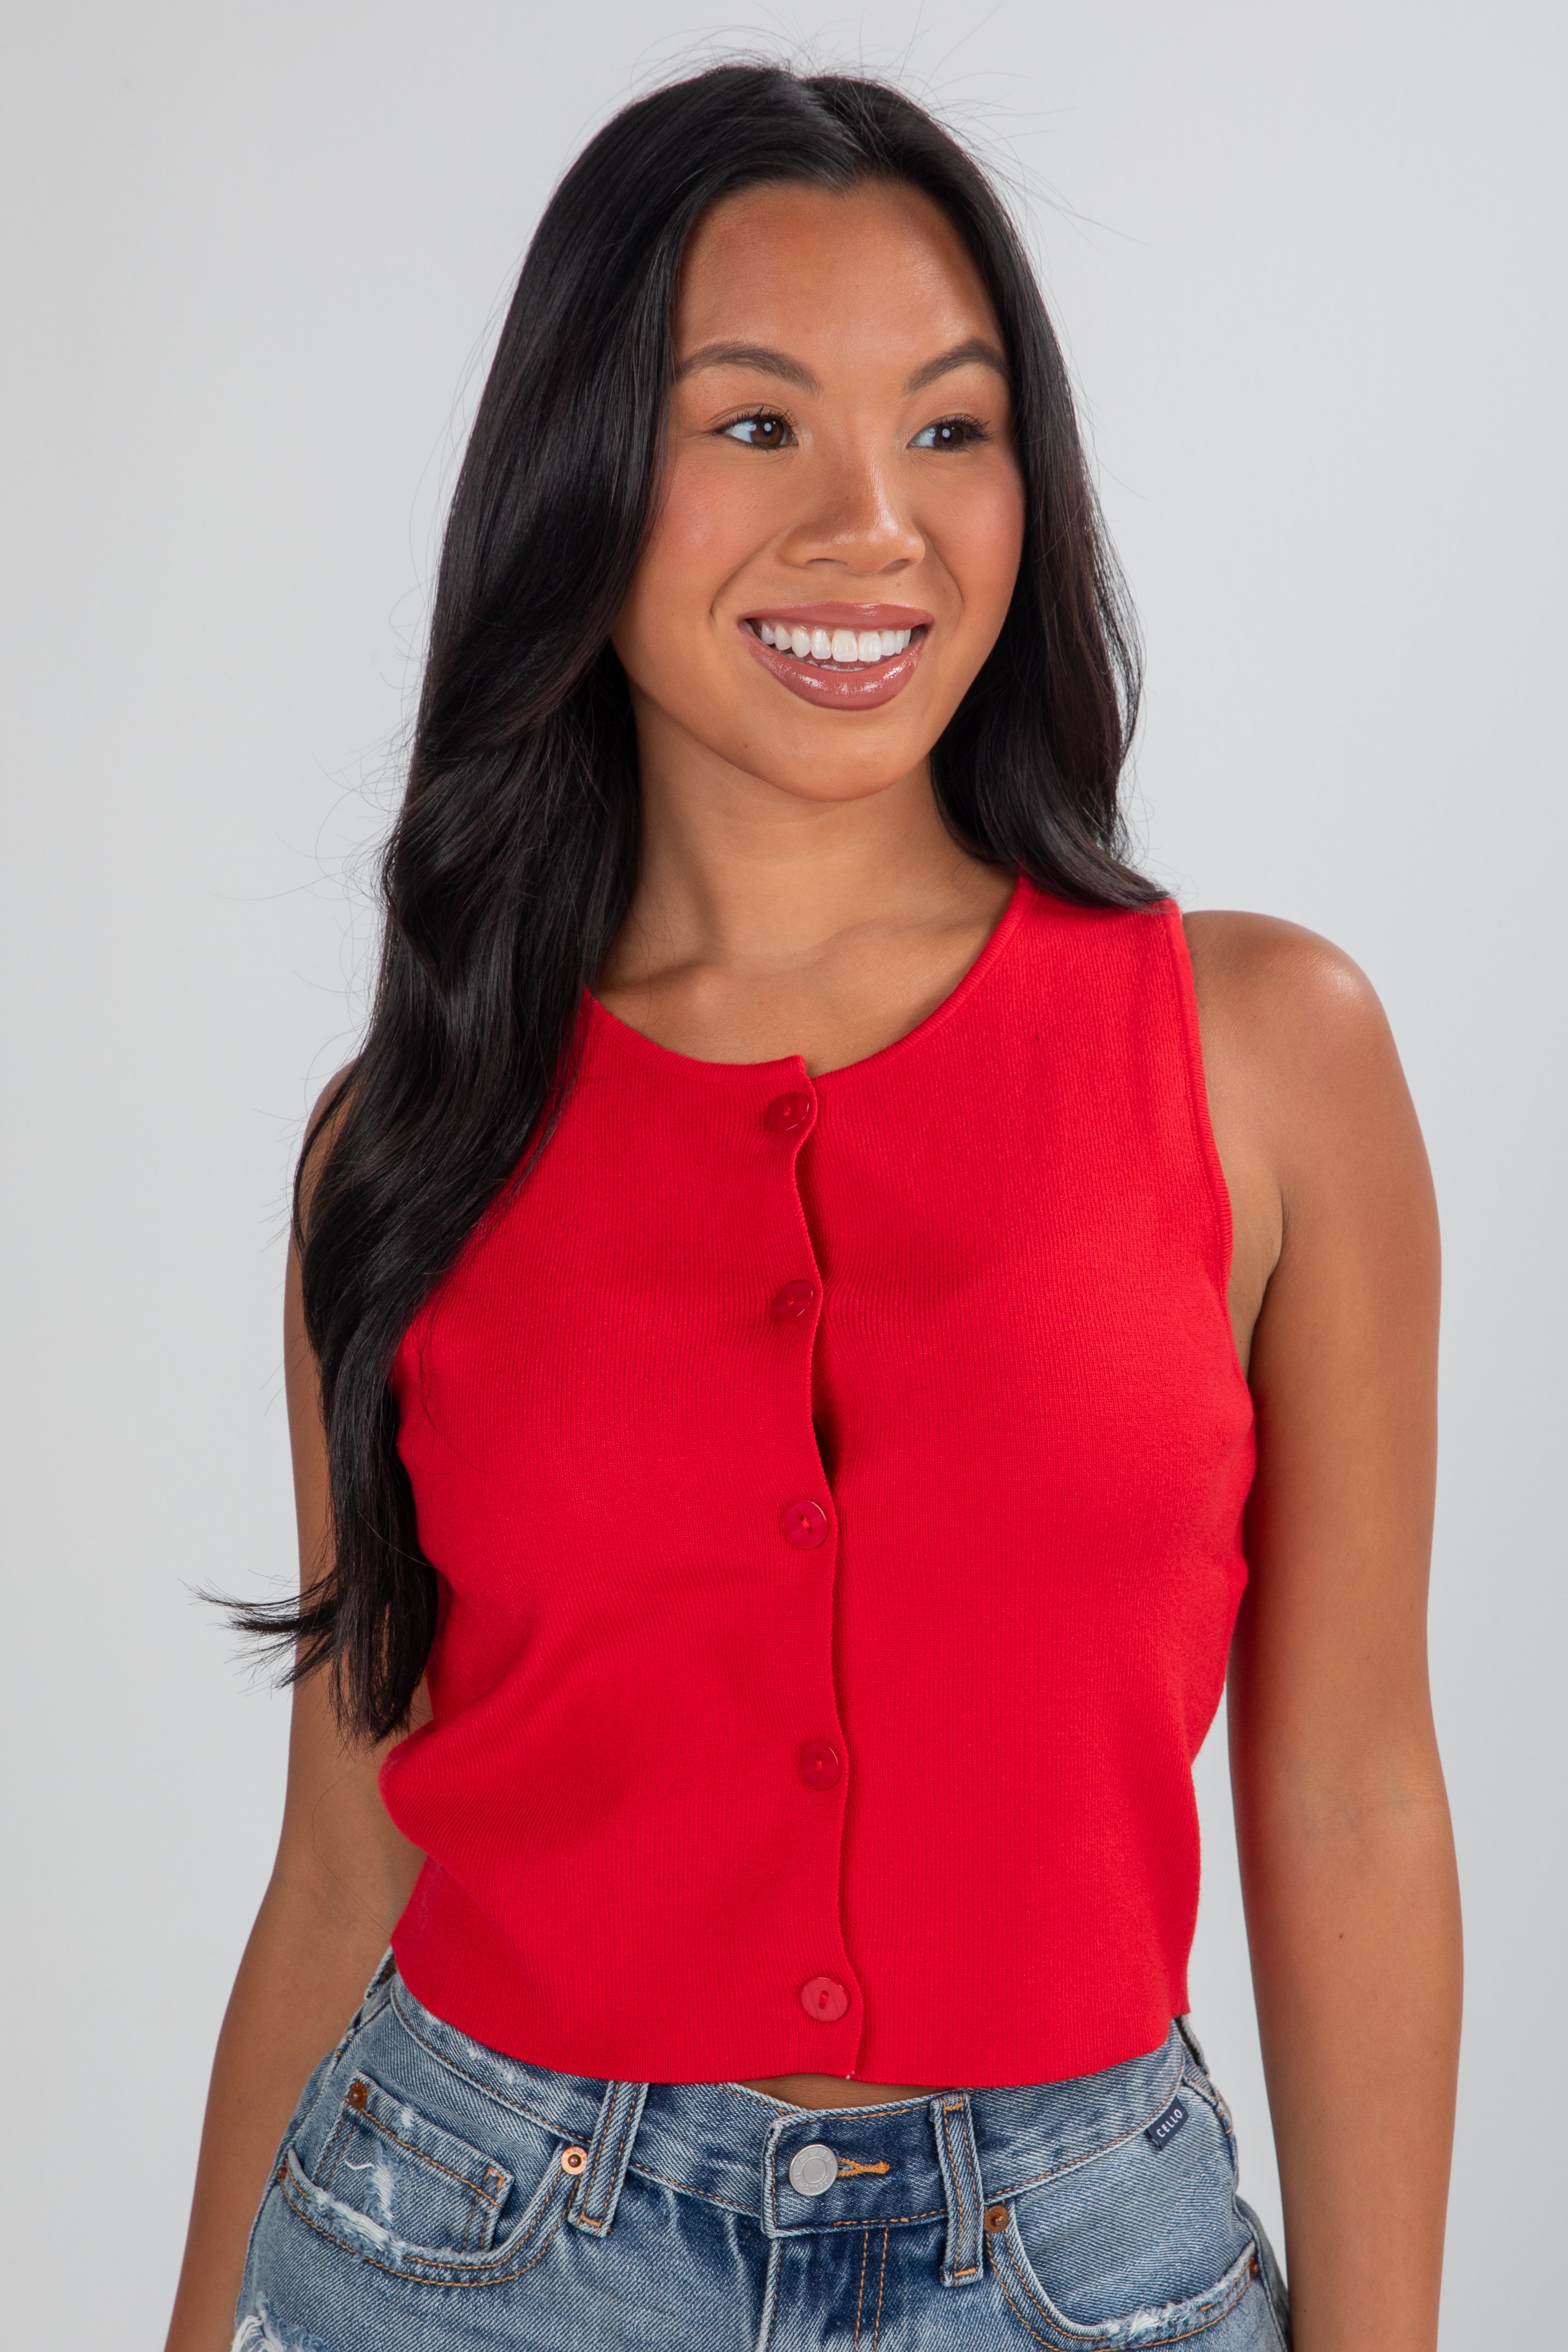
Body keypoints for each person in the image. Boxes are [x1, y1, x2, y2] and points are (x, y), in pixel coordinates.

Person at [165, 63, 1461, 2352]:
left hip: (1080, 2264)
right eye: (755, 424)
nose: (873, 523)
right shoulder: (413, 1137)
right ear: (580, 480)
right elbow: (344, 1853)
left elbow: (1350, 1794)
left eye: (951, 429)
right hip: (461, 2252)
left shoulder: (1264, 1056)